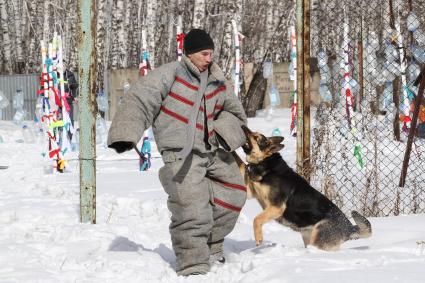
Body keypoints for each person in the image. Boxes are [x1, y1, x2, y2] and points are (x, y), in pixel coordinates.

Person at [108, 29, 247, 276]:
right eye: (204, 53)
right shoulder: (168, 75)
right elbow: (139, 100)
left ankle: (212, 247)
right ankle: (193, 266)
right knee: (192, 210)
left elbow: (235, 113)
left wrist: (223, 132)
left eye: (211, 53)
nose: (209, 58)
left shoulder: (217, 79)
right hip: (180, 156)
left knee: (233, 195)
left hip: (213, 151)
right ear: (191, 53)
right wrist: (125, 135)